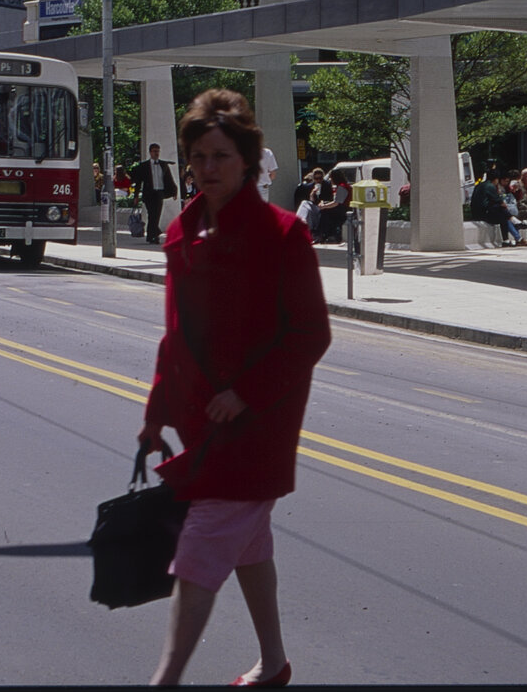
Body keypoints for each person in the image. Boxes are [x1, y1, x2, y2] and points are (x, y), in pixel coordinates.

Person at [138, 89, 330, 687]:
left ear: (249, 159)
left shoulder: (283, 237)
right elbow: (175, 338)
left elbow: (309, 334)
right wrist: (155, 415)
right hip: (203, 422)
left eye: (220, 156)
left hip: (257, 426)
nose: (207, 169)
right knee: (248, 545)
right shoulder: (182, 233)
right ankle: (274, 664)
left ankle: (164, 681)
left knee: (198, 557)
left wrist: (246, 391)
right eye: (197, 157)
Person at [130, 143, 180, 245]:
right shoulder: (144, 166)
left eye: (158, 151)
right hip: (149, 193)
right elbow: (139, 182)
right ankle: (154, 235)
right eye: (154, 151)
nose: (156, 153)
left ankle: (152, 236)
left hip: (159, 193)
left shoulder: (163, 165)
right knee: (152, 215)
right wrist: (136, 196)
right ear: (150, 152)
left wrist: (174, 190)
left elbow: (169, 178)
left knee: (155, 215)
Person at [470, 162, 521, 246]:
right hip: (483, 214)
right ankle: (512, 224)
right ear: (496, 179)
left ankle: (507, 240)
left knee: (502, 216)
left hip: (476, 212)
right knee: (502, 211)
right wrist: (503, 204)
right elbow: (499, 201)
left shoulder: (480, 185)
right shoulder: (490, 186)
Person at [316, 169, 352, 244]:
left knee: (324, 212)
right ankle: (324, 233)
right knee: (325, 209)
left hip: (343, 210)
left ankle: (323, 234)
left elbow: (336, 203)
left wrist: (324, 206)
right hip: (343, 208)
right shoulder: (342, 186)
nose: (330, 179)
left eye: (331, 177)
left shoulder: (342, 187)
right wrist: (324, 203)